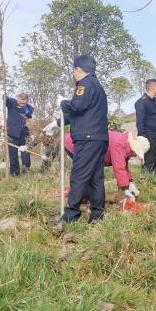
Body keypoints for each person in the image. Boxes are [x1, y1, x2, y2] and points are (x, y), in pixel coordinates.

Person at [55, 55, 109, 226]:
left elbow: (77, 106)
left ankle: (71, 216)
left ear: (78, 69)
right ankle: (97, 215)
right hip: (98, 138)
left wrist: (64, 103)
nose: (74, 74)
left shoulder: (86, 84)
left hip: (87, 139)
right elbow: (83, 113)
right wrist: (57, 123)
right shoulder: (98, 86)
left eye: (74, 71)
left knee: (79, 175)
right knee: (95, 177)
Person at [63, 130, 148, 200]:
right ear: (134, 147)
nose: (135, 155)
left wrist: (130, 182)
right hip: (74, 143)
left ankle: (85, 198)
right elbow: (119, 168)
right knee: (86, 173)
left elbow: (124, 166)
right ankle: (82, 201)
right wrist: (126, 189)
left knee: (91, 173)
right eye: (136, 153)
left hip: (87, 146)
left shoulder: (125, 144)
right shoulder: (120, 144)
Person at [134, 79, 156, 175]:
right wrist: (142, 138)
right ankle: (145, 180)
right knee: (148, 161)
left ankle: (153, 177)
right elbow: (140, 122)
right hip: (149, 136)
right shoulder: (141, 102)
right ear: (153, 88)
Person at [5, 92, 33, 176]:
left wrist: (23, 107)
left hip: (24, 133)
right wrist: (5, 96)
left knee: (26, 153)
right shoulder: (12, 102)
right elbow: (6, 100)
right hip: (12, 133)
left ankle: (26, 170)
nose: (22, 104)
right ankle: (15, 173)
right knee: (13, 154)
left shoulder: (29, 108)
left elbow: (28, 115)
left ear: (27, 101)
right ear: (17, 98)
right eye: (20, 102)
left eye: (24, 103)